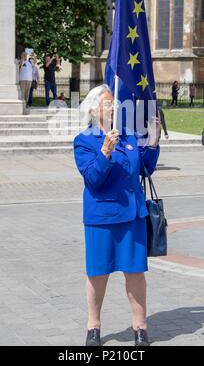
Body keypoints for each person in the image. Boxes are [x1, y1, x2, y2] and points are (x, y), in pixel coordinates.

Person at [74, 84, 161, 347]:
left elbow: (146, 169)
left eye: (114, 103)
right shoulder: (84, 140)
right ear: (93, 108)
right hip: (102, 217)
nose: (114, 107)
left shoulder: (129, 136)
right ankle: (93, 327)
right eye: (108, 102)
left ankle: (140, 328)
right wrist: (105, 152)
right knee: (98, 273)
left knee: (135, 272)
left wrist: (153, 141)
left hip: (132, 215)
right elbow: (93, 179)